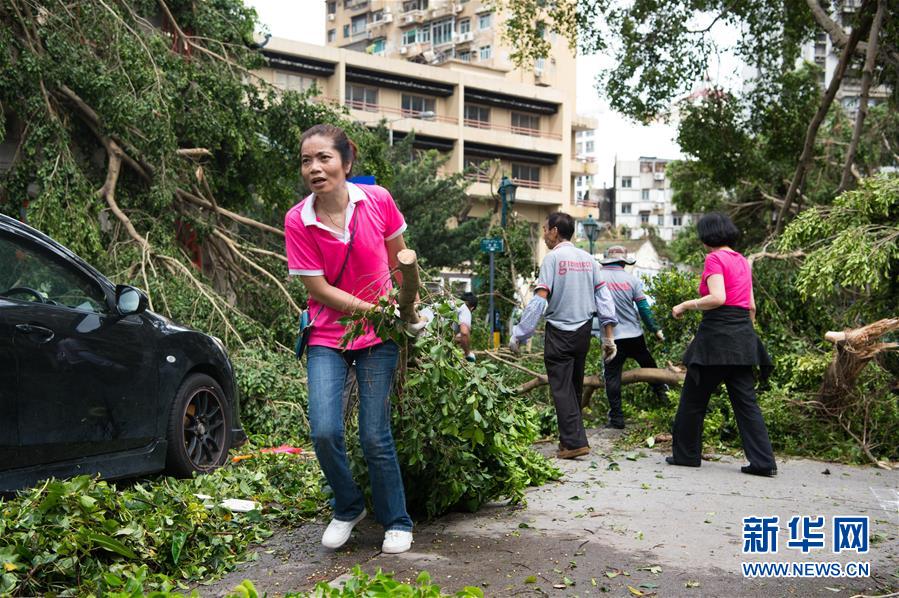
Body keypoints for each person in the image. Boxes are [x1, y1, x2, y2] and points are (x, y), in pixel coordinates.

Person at [284, 123, 414, 554]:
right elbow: (318, 289)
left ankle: (397, 520)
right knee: (324, 430)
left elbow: (401, 261)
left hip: (380, 335)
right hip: (327, 334)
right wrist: (373, 310)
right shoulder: (298, 219)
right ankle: (348, 506)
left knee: (374, 434)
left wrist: (409, 308)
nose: (315, 168)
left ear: (346, 162)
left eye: (324, 158)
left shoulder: (377, 200)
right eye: (307, 161)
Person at [666, 212, 777, 477]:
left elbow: (718, 298)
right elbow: (751, 306)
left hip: (716, 340)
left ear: (707, 236)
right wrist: (745, 335)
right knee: (747, 404)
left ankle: (686, 455)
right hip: (742, 339)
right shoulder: (742, 261)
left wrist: (685, 305)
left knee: (693, 400)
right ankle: (763, 462)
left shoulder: (714, 258)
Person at [508, 212, 618, 459]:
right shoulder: (589, 259)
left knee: (561, 388)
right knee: (573, 387)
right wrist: (608, 337)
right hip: (583, 331)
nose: (543, 235)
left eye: (545, 229)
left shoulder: (553, 259)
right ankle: (568, 440)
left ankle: (574, 443)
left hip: (559, 331)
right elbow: (604, 299)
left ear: (555, 231)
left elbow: (540, 300)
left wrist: (520, 333)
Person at [597, 245, 668, 429]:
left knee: (612, 377)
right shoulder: (632, 280)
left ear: (608, 260)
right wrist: (655, 329)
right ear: (623, 262)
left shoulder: (597, 278)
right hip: (635, 335)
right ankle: (666, 400)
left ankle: (617, 419)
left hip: (611, 338)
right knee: (650, 366)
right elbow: (643, 308)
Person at [455, 291, 478, 362]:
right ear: (472, 308)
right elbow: (464, 333)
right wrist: (468, 353)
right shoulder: (465, 309)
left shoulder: (450, 303)